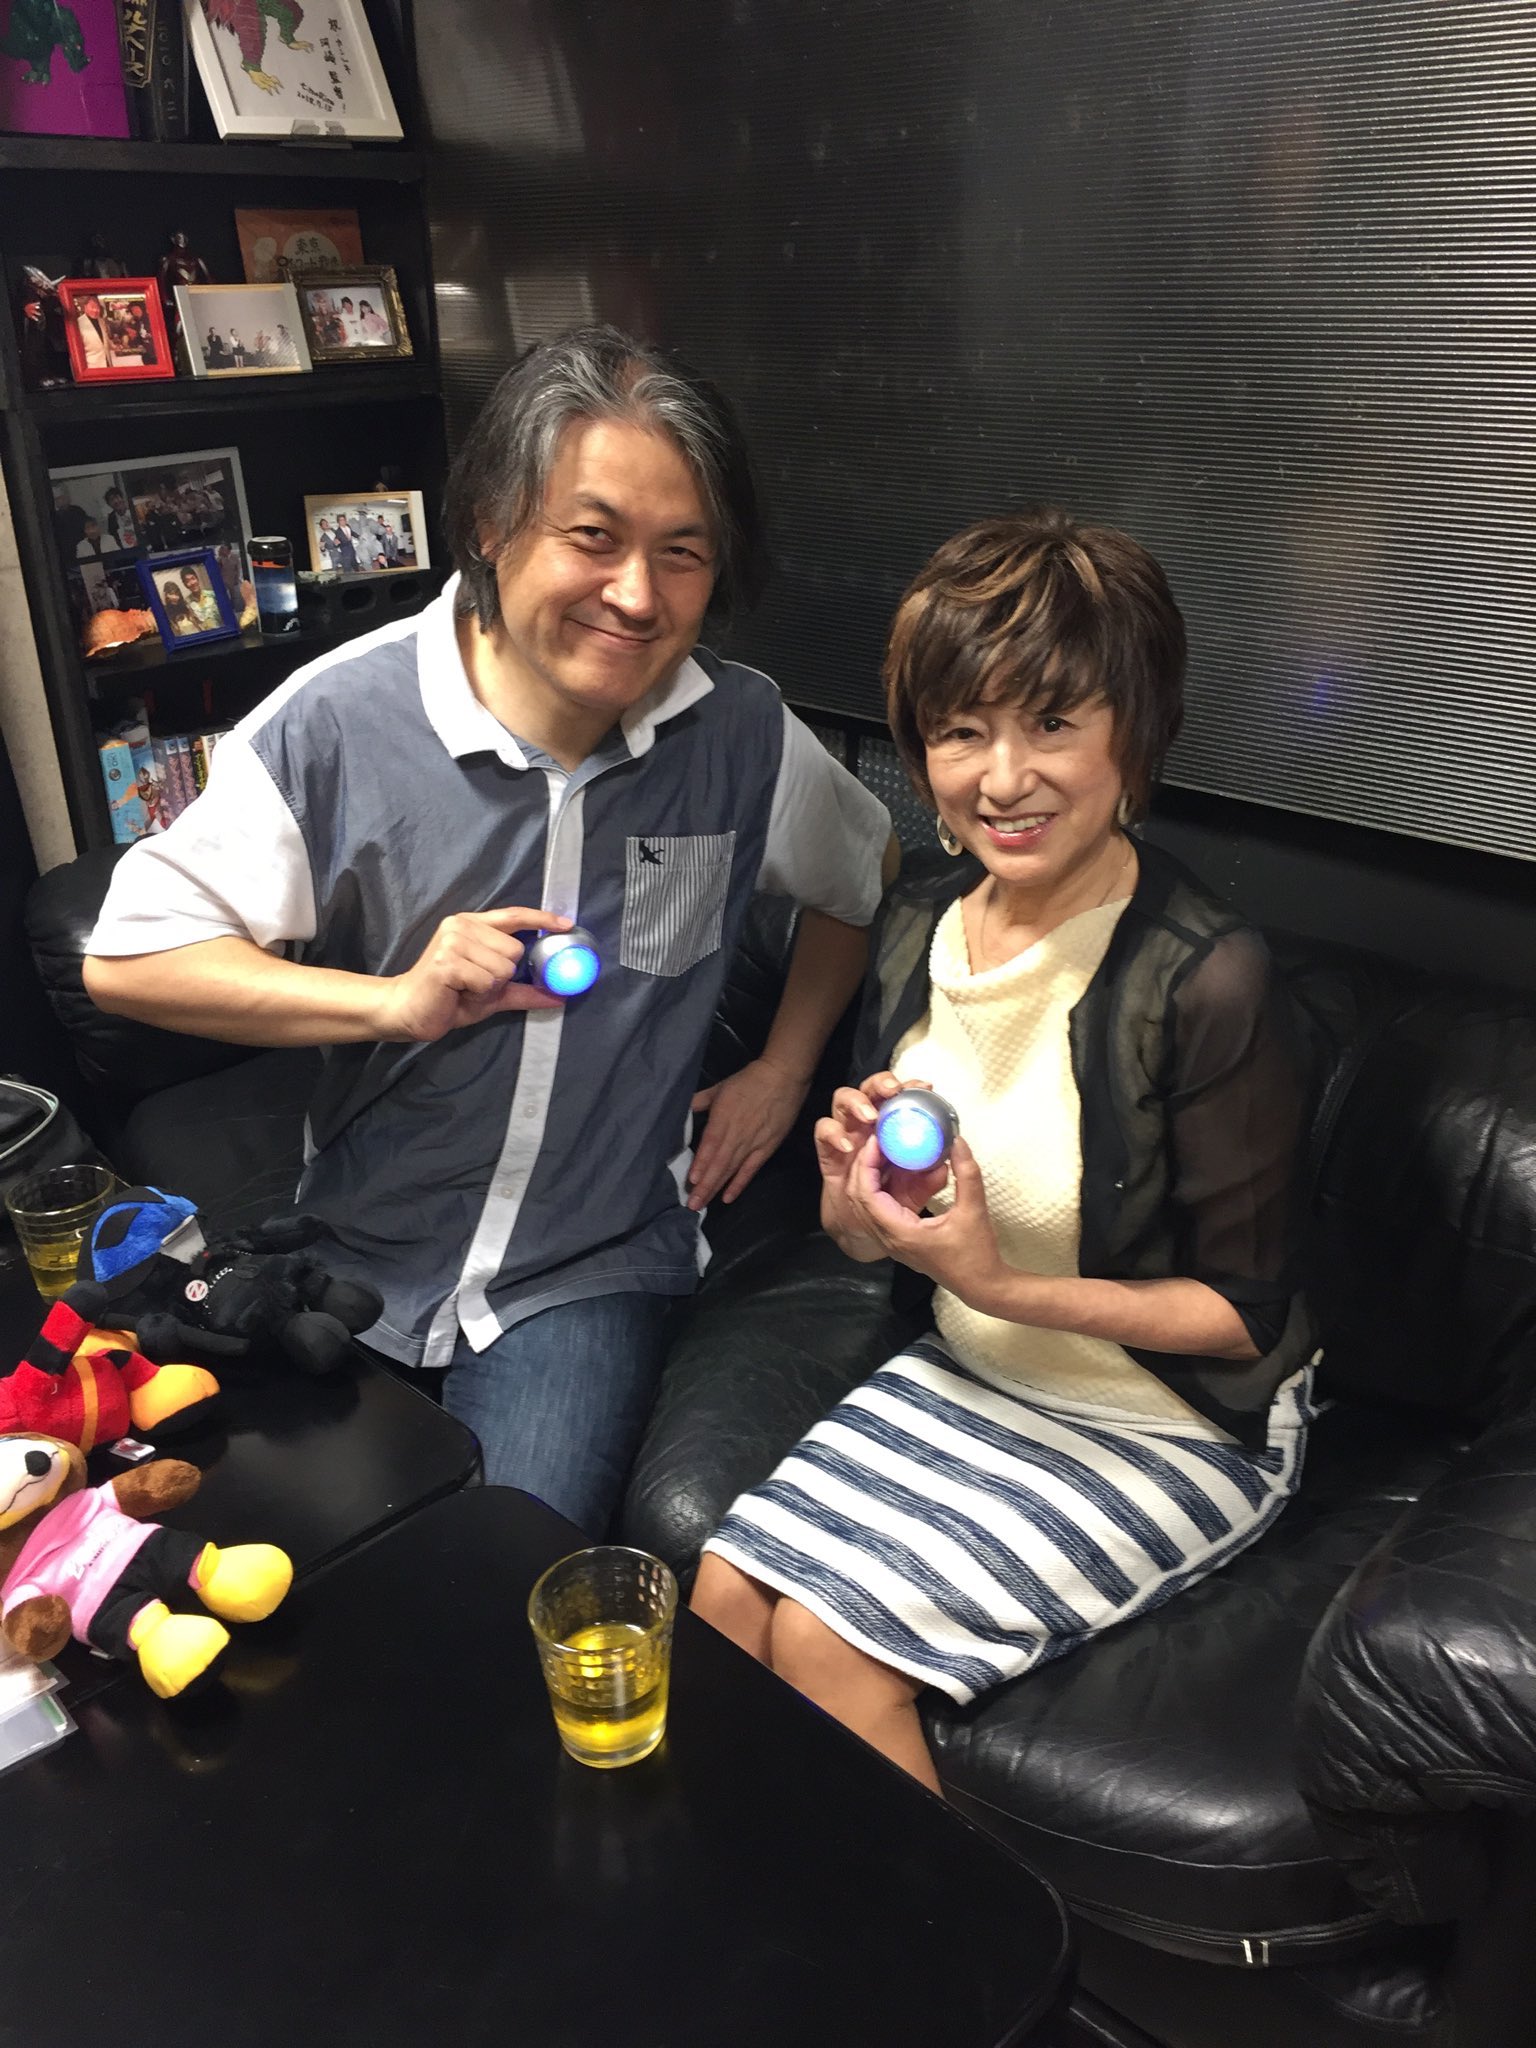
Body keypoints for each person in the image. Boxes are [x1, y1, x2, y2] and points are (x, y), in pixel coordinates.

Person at [82, 324, 894, 1534]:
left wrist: (784, 1065)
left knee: (497, 1572)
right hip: (361, 1242)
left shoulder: (739, 734)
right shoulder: (338, 724)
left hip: (590, 1262)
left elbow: (865, 876)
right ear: (491, 525)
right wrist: (390, 1001)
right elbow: (127, 958)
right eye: (593, 536)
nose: (638, 595)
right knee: (248, 1561)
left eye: (682, 553)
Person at [693, 510, 1314, 1792]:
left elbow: (1243, 1316)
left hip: (1168, 1415)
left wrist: (996, 1282)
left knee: (825, 1646)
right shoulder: (916, 922)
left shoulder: (1204, 976)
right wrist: (856, 1200)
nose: (1002, 776)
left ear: (1133, 735)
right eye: (961, 728)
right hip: (977, 1360)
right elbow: (869, 1236)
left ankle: (949, 1930)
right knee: (721, 1596)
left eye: (1053, 721)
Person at [75, 294, 109, 370]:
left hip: (106, 363)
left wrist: (114, 346)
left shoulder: (101, 321)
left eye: (97, 307)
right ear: (85, 307)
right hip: (91, 365)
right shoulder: (78, 323)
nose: (95, 310)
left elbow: (104, 340)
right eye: (92, 307)